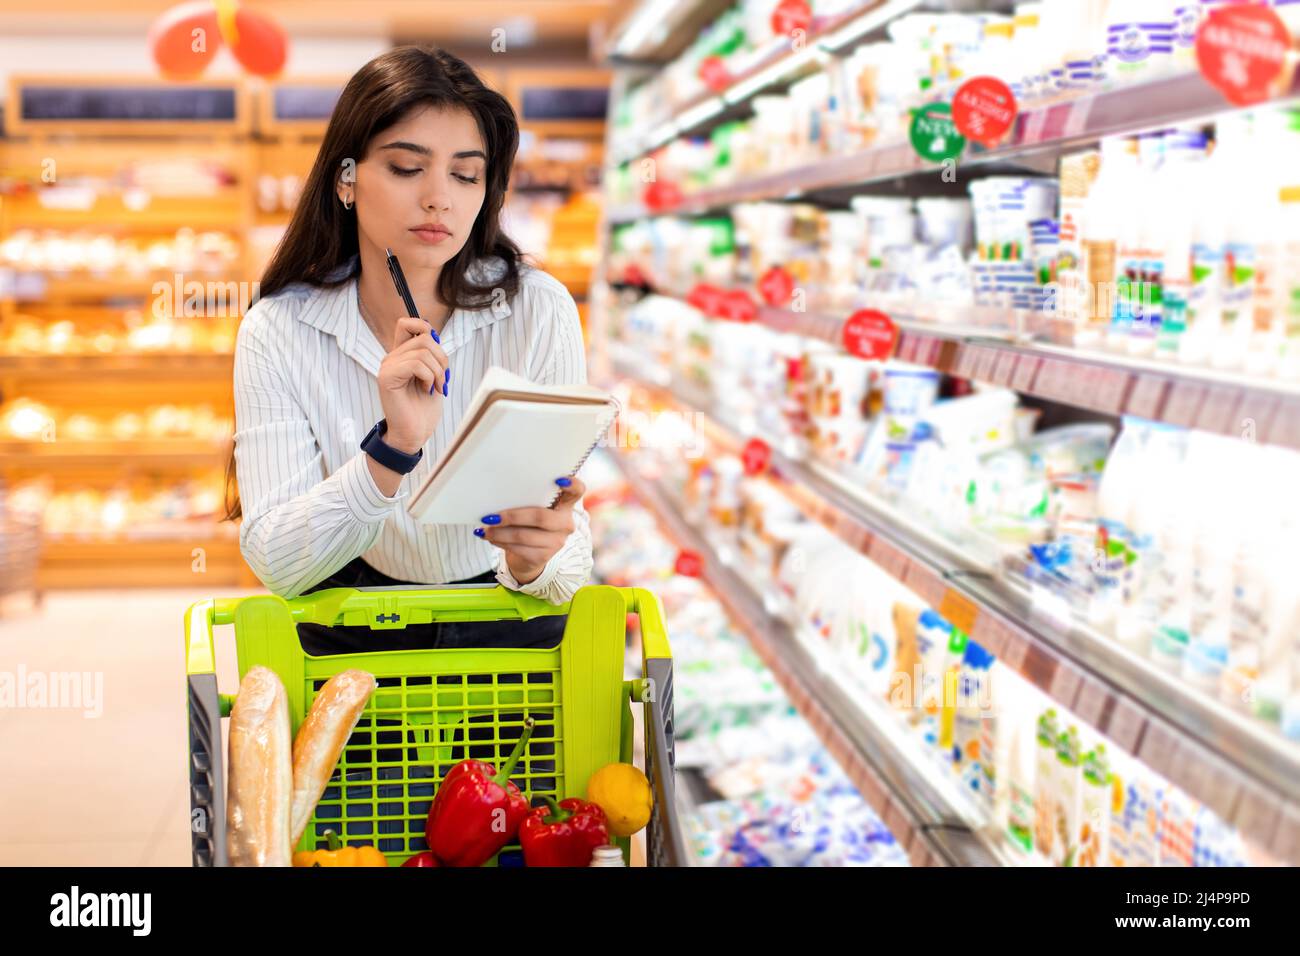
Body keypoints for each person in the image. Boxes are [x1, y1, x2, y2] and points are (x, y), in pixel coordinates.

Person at [224, 46, 594, 656]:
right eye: (405, 167)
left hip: (511, 630)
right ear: (346, 179)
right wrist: (392, 450)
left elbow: (569, 549)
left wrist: (542, 559)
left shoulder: (539, 310)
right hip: (355, 633)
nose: (438, 198)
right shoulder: (279, 329)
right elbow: (278, 564)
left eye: (465, 174)